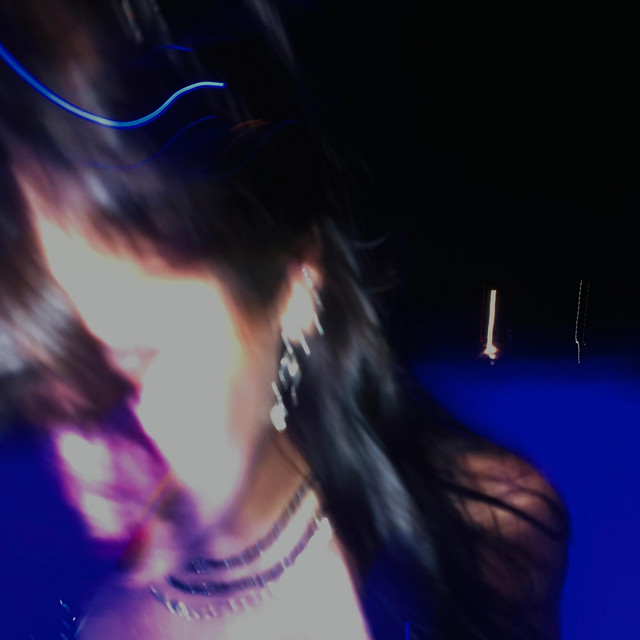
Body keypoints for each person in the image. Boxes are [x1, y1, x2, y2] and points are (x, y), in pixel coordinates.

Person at [0, 1, 570, 638]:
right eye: (38, 403)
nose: (81, 472)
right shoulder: (80, 620)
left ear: (296, 286)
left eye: (125, 372)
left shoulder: (490, 539)